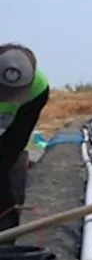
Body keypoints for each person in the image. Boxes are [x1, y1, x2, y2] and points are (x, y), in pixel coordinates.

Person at [0, 44, 49, 233]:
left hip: (10, 139)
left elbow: (15, 141)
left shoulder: (39, 88)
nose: (8, 100)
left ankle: (7, 236)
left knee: (10, 185)